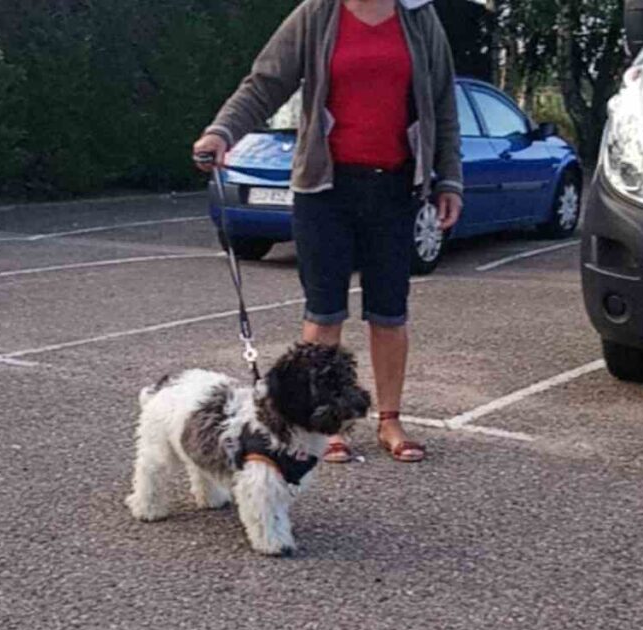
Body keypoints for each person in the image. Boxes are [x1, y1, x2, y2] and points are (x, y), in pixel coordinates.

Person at [193, 0, 463, 463]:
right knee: (324, 311)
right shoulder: (317, 13)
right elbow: (266, 81)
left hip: (396, 187)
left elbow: (442, 101)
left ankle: (390, 421)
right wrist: (222, 132)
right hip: (325, 187)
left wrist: (449, 178)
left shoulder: (418, 16)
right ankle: (326, 422)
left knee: (390, 311)